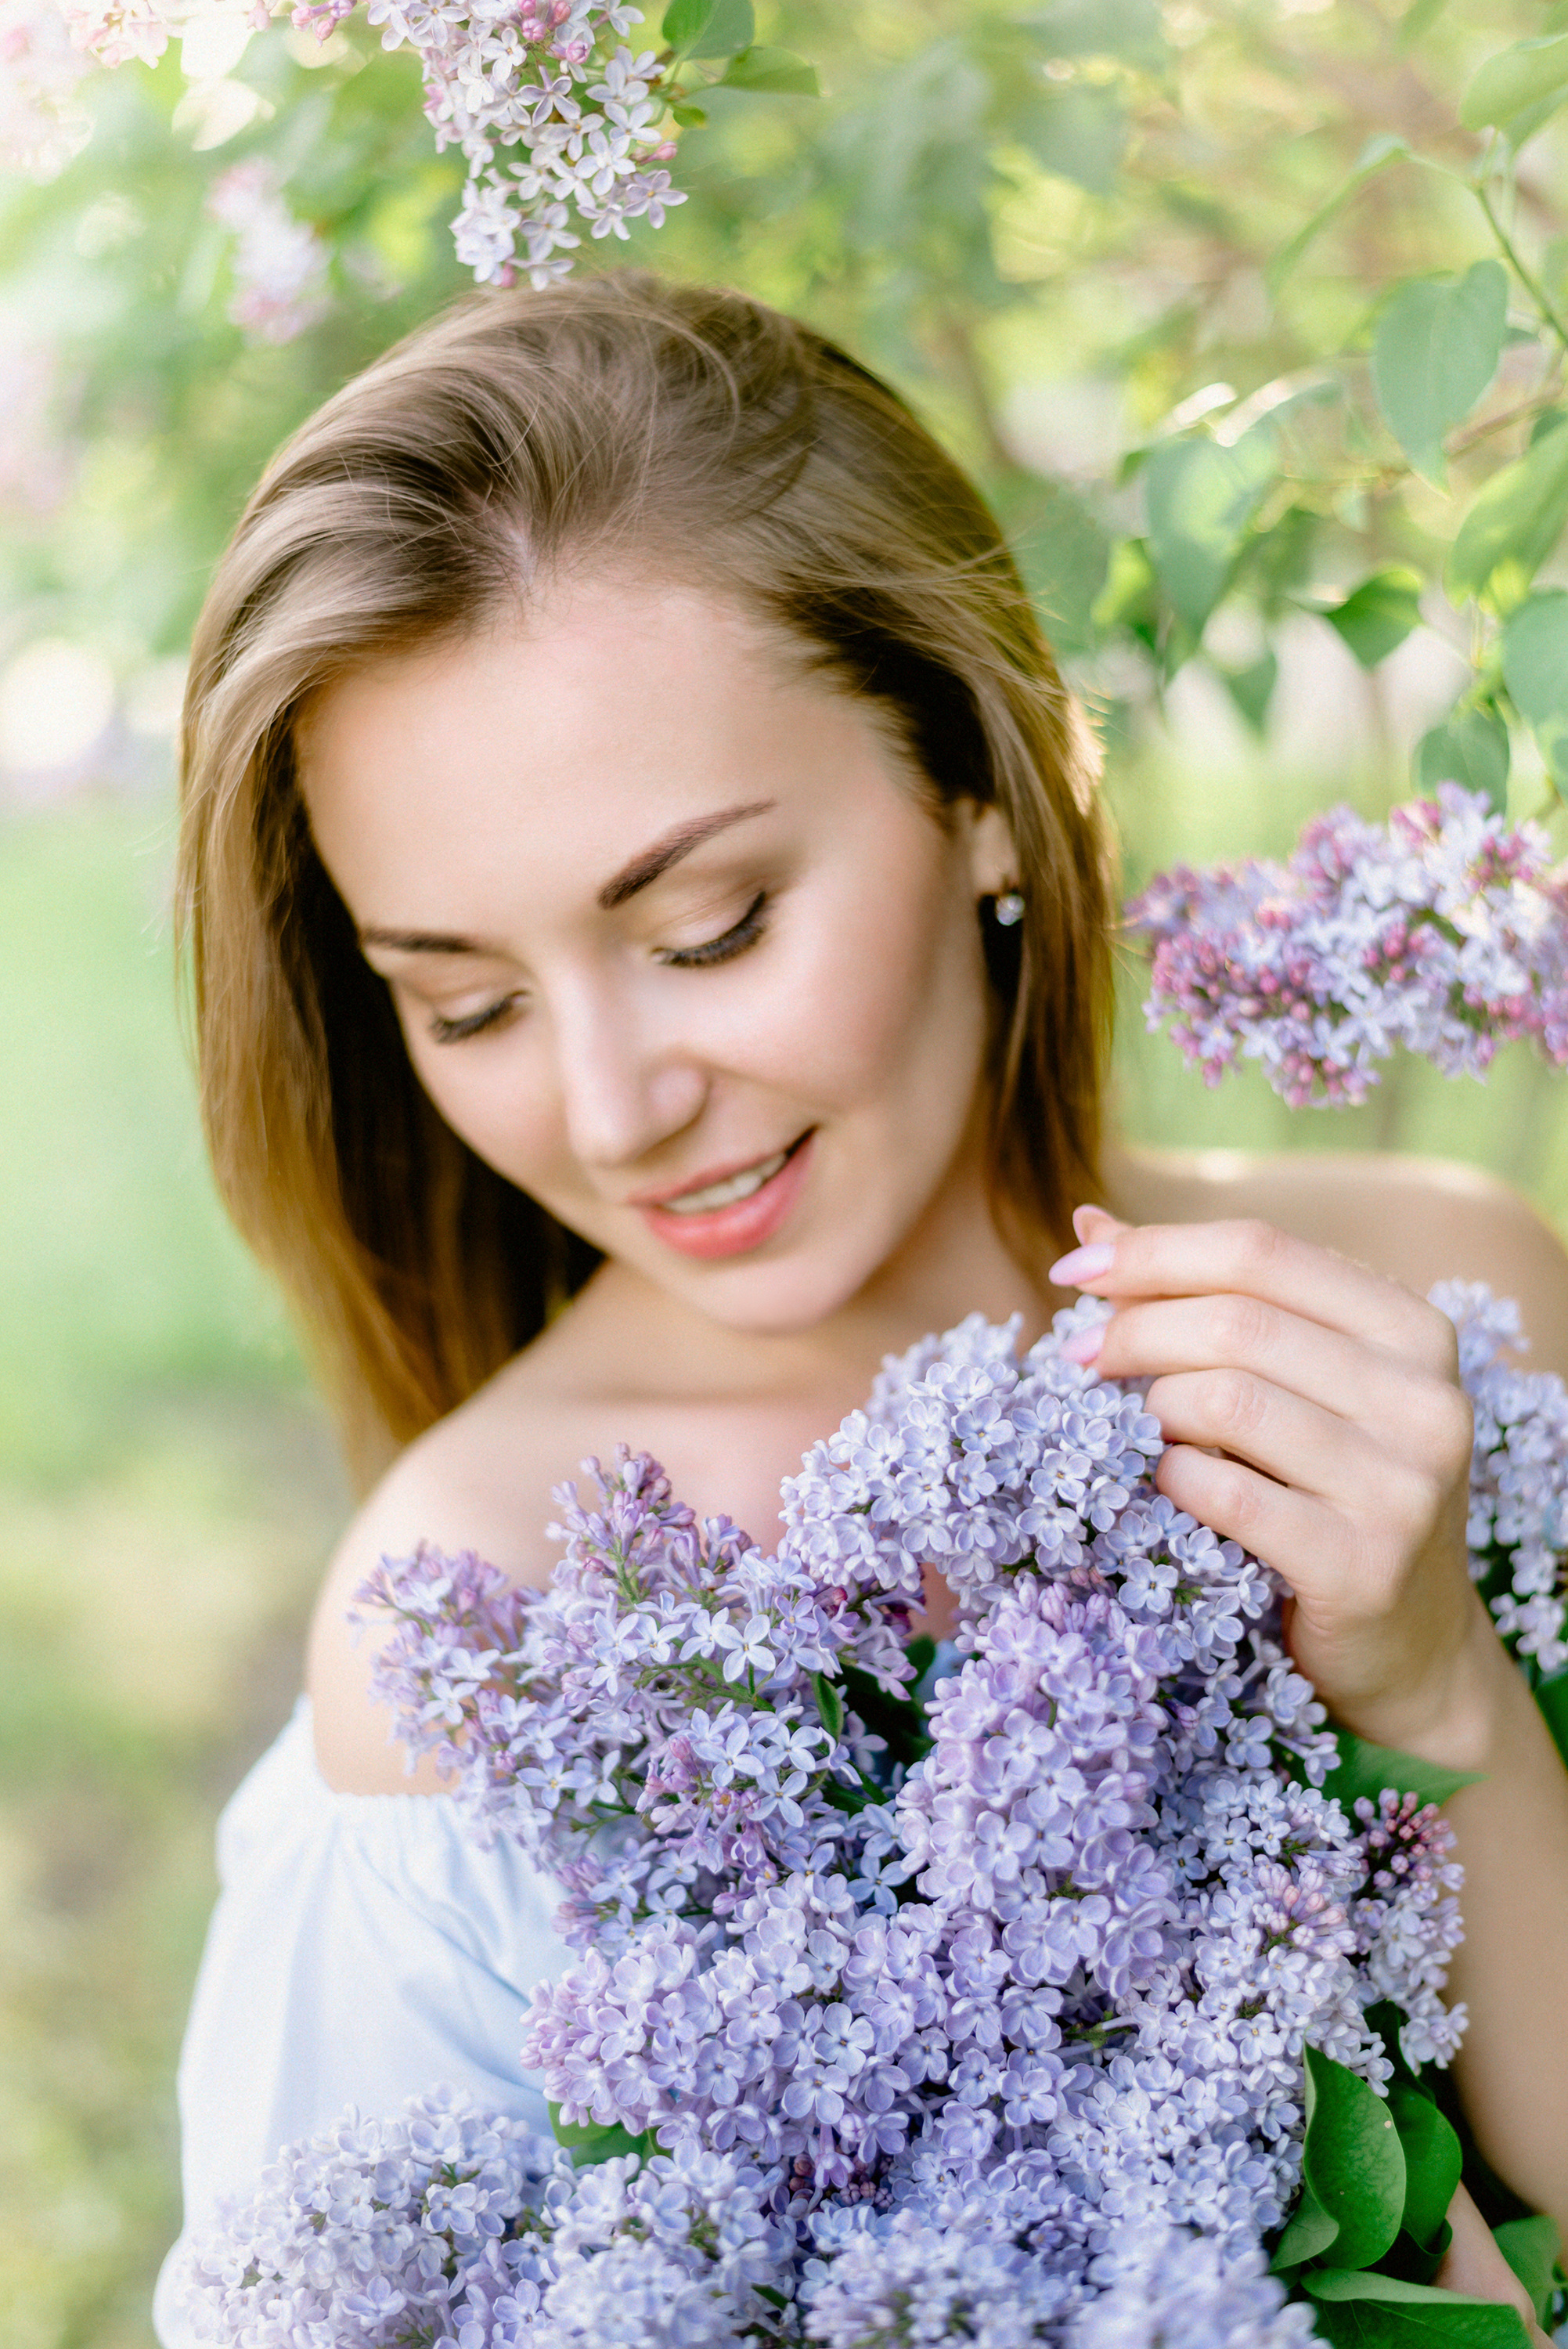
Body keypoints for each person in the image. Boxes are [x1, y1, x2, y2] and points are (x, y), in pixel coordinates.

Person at [155, 271, 1568, 2340]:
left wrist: (1446, 1702)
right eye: (464, 1003)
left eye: (709, 928)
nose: (612, 1110)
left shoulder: (1449, 1302)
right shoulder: (479, 1629)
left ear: (979, 782)